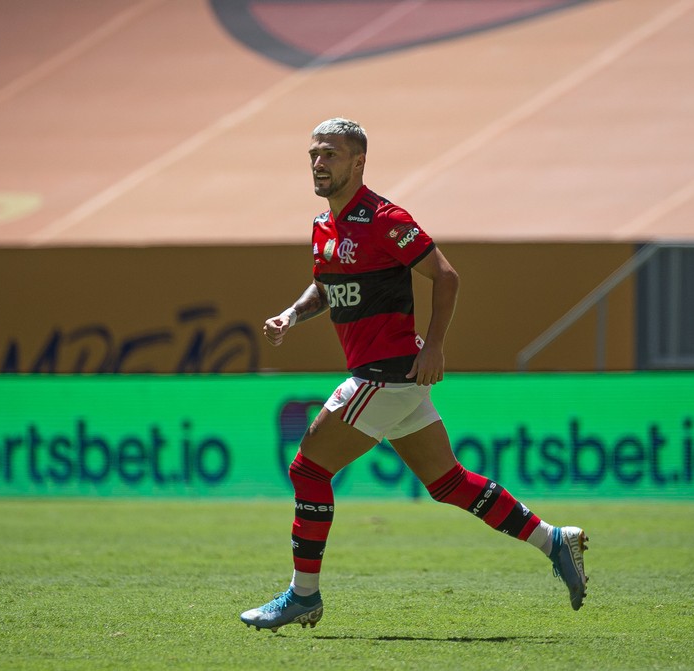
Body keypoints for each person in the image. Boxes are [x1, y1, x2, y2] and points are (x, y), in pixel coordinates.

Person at [240, 118, 588, 633]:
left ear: (358, 162)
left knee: (308, 471)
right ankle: (553, 539)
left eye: (330, 155)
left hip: (387, 374)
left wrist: (437, 346)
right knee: (448, 483)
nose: (318, 163)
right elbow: (326, 283)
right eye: (314, 153)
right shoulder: (323, 226)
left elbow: (445, 275)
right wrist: (292, 314)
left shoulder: (384, 218)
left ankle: (303, 597)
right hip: (388, 377)